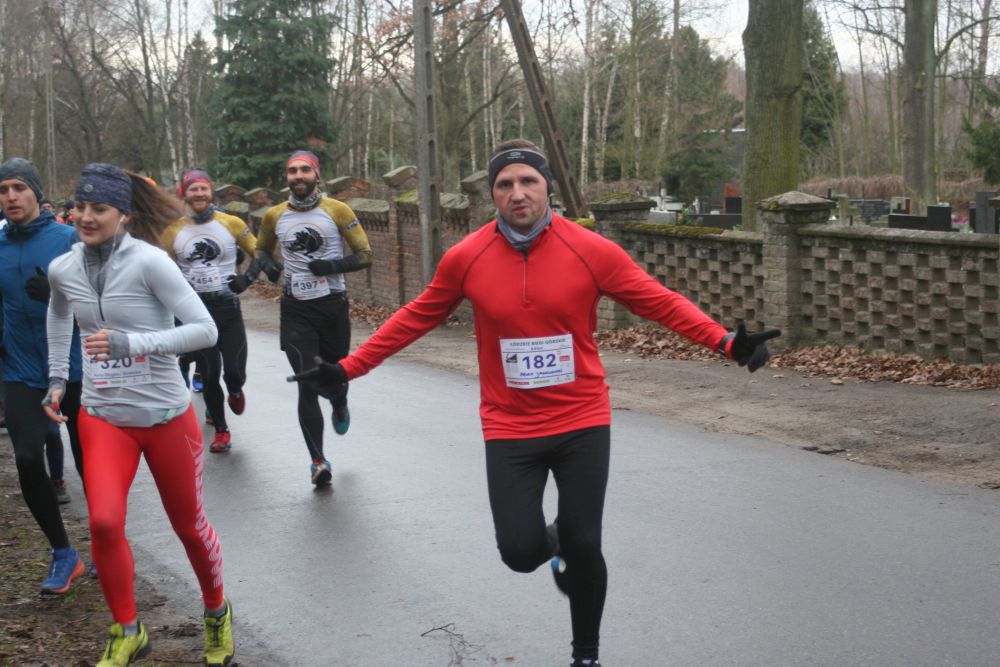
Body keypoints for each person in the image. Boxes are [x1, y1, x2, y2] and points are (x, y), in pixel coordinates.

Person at [291, 139, 780, 667]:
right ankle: (556, 542)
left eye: (528, 181)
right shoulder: (466, 257)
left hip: (581, 419)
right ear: (493, 196)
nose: (517, 192)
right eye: (505, 184)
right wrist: (349, 367)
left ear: (547, 187)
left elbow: (658, 301)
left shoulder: (591, 250)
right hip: (510, 426)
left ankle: (585, 656)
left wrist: (724, 342)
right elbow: (416, 316)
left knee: (585, 542)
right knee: (520, 551)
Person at [43, 163, 234, 666]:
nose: (85, 217)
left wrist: (133, 343)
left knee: (188, 526)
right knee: (104, 522)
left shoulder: (151, 263)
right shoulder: (63, 268)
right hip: (104, 415)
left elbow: (205, 330)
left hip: (166, 415)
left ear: (123, 215)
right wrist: (57, 378)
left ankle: (216, 612)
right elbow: (59, 313)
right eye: (80, 206)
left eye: (99, 208)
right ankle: (127, 629)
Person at [256, 149, 372, 486]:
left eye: (304, 170)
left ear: (316, 175)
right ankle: (318, 461)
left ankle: (339, 400)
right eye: (292, 171)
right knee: (307, 382)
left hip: (332, 306)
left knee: (333, 376)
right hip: (296, 309)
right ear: (287, 178)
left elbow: (365, 254)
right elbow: (261, 249)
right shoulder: (274, 215)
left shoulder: (337, 210)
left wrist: (332, 266)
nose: (298, 176)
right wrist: (269, 266)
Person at [0, 157, 86, 596]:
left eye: (18, 187)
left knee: (92, 463)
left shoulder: (67, 239)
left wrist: (56, 294)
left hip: (75, 367)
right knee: (29, 459)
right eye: (3, 190)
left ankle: (110, 543)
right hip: (19, 369)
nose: (10, 196)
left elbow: (101, 296)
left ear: (36, 191)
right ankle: (63, 552)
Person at [162, 168, 258, 452]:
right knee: (209, 373)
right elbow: (162, 268)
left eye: (203, 188)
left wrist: (246, 279)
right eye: (194, 189)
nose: (199, 194)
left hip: (228, 309)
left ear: (211, 191)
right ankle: (221, 430)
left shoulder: (231, 223)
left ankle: (236, 390)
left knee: (234, 373)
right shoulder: (173, 231)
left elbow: (260, 253)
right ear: (185, 194)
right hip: (197, 313)